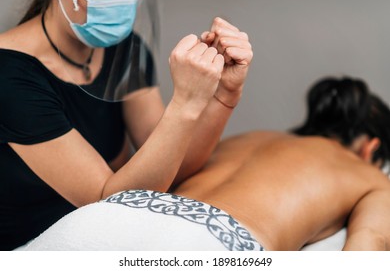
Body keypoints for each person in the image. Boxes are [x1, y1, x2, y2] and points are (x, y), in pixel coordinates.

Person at [0, 0, 253, 250]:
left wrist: (225, 94)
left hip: (110, 231)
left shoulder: (122, 48)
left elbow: (173, 164)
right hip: (32, 245)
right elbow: (107, 200)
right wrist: (185, 103)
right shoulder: (8, 75)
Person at [20, 76, 390, 251]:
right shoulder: (370, 176)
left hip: (103, 218)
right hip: (206, 245)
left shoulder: (249, 138)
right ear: (372, 149)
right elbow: (366, 248)